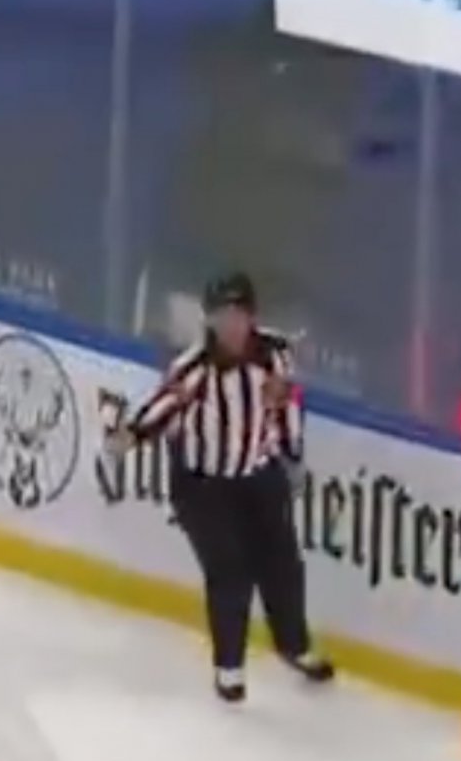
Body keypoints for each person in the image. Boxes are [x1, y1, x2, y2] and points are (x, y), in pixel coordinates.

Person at [105, 270, 333, 702]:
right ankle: (229, 666)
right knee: (229, 570)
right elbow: (163, 407)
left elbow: (285, 404)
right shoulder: (195, 367)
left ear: (252, 316)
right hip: (202, 483)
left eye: (238, 315)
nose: (230, 325)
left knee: (283, 565)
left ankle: (294, 646)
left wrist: (291, 454)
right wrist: (132, 435)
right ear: (209, 320)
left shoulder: (275, 354)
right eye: (221, 316)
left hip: (257, 472)